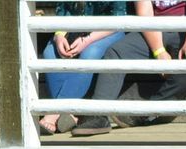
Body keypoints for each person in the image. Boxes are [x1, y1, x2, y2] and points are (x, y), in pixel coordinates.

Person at [72, 0, 186, 137]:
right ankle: (97, 115)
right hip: (158, 27)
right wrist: (159, 51)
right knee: (116, 52)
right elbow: (145, 10)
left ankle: (146, 112)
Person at [36, 1, 129, 135]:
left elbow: (118, 18)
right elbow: (62, 12)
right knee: (50, 53)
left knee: (90, 53)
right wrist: (59, 35)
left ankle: (55, 111)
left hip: (108, 30)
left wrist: (87, 40)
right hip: (75, 30)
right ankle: (71, 114)